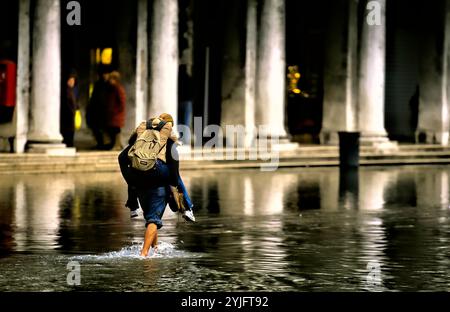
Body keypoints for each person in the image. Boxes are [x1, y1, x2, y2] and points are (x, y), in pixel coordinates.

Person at [118, 113, 195, 257]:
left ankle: (155, 248)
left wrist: (131, 180)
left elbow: (122, 157)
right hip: (158, 183)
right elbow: (174, 174)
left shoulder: (140, 140)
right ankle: (144, 254)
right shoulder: (170, 144)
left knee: (151, 218)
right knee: (154, 219)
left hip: (139, 183)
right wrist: (174, 190)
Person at [87, 69, 109, 149]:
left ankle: (104, 144)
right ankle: (100, 144)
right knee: (97, 129)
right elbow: (94, 97)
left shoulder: (109, 85)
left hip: (105, 111)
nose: (104, 76)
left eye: (106, 74)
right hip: (97, 111)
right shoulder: (98, 84)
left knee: (104, 130)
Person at [105, 71, 126, 151]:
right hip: (112, 114)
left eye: (111, 79)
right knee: (112, 130)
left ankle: (117, 145)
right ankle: (116, 144)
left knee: (116, 130)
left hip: (116, 115)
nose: (110, 81)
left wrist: (116, 111)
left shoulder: (118, 89)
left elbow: (122, 102)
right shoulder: (112, 89)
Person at [60, 71, 79, 147]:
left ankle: (70, 143)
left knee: (71, 131)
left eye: (73, 81)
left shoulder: (73, 90)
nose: (72, 82)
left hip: (72, 114)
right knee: (68, 131)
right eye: (70, 80)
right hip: (67, 114)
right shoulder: (65, 90)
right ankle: (68, 144)